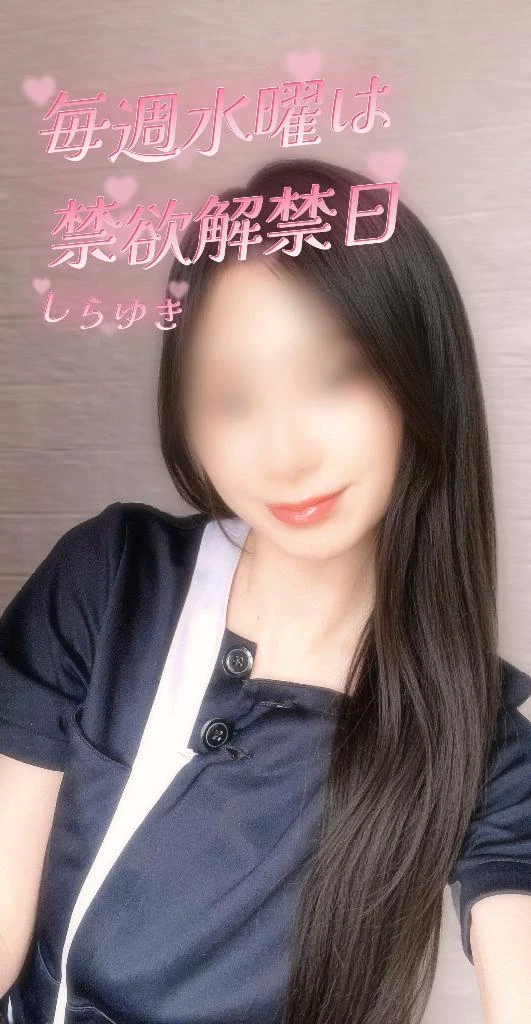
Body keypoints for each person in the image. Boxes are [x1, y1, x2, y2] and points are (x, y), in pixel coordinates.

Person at [0, 157, 530, 1024]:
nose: (285, 456)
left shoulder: (478, 740)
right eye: (232, 398)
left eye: (333, 376)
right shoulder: (114, 582)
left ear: (417, 381)